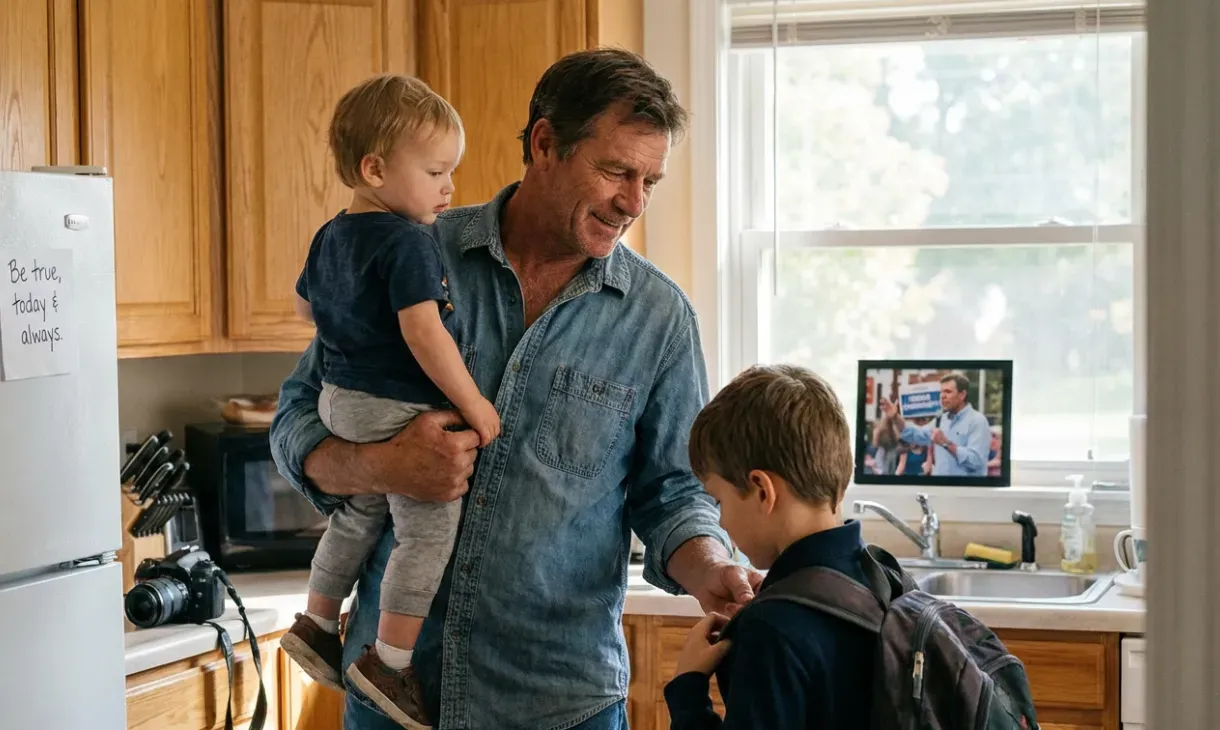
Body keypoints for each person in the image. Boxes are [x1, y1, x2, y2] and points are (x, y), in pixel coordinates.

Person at [270, 48, 759, 730]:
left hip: (560, 703)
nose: (633, 203)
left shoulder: (660, 319)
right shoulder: (409, 248)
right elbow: (296, 418)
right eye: (617, 170)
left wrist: (710, 567)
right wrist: (381, 465)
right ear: (544, 144)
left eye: (651, 180)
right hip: (394, 699)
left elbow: (673, 494)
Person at [280, 74, 502, 728]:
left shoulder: (331, 235)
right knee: (428, 531)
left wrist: (351, 320)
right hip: (393, 404)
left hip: (340, 401)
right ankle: (390, 664)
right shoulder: (409, 241)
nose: (450, 188)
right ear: (375, 168)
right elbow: (424, 334)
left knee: (357, 514)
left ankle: (319, 622)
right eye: (436, 171)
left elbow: (304, 307)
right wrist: (477, 406)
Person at [664, 364, 875, 729]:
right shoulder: (885, 578)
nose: (723, 523)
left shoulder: (770, 629)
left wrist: (688, 689)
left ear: (762, 490)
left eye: (719, 502)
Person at [880, 372, 990, 477]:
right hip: (940, 491)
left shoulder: (978, 421)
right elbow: (915, 435)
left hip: (966, 492)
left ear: (962, 395)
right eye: (941, 392)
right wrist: (896, 417)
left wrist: (946, 444)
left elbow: (976, 461)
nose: (942, 396)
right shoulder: (941, 419)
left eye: (947, 392)